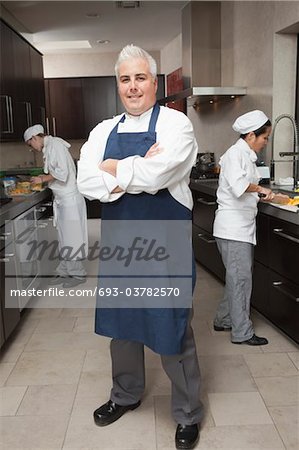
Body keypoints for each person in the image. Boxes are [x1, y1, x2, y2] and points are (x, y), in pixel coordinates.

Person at [77, 45, 203, 449]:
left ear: (154, 81)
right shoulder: (101, 131)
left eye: (140, 78)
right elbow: (85, 183)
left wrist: (113, 169)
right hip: (120, 249)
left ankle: (187, 413)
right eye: (125, 79)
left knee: (173, 327)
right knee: (123, 327)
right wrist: (137, 168)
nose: (132, 87)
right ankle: (125, 395)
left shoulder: (176, 125)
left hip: (166, 246)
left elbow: (162, 172)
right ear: (119, 84)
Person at [213, 110, 276, 345]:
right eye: (265, 137)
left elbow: (243, 190)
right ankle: (242, 332)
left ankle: (223, 319)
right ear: (251, 135)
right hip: (233, 229)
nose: (266, 142)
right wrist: (260, 190)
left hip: (239, 227)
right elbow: (239, 186)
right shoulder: (235, 155)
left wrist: (262, 196)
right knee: (240, 280)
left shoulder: (245, 155)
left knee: (236, 278)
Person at [24, 124, 88, 288]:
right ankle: (65, 271)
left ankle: (78, 274)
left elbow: (63, 173)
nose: (33, 148)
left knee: (72, 238)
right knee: (64, 238)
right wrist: (44, 177)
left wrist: (43, 179)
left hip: (69, 199)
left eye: (31, 144)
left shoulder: (56, 145)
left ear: (35, 138)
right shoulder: (50, 147)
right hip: (62, 199)